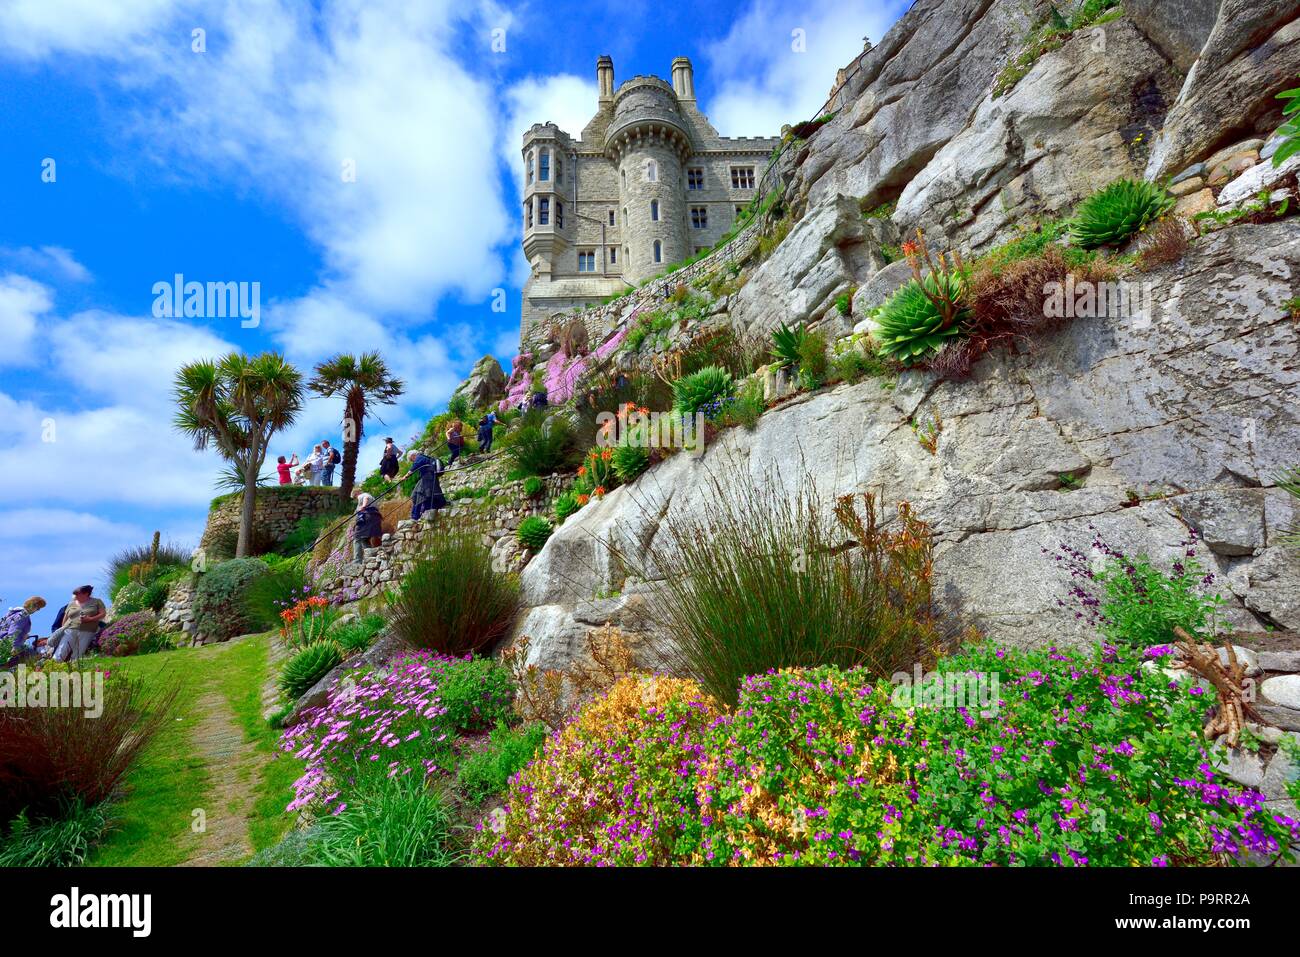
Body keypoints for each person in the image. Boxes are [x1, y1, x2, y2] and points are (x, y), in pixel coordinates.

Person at [44, 586, 106, 663]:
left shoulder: (97, 602)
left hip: (88, 631)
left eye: (77, 594)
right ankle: (52, 669)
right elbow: (65, 619)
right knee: (61, 651)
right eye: (75, 594)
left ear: (86, 594)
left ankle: (73, 671)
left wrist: (90, 619)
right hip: (69, 630)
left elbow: (103, 614)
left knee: (78, 654)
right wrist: (63, 629)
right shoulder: (71, 604)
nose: (75, 596)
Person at [2, 597, 46, 663]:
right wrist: (13, 648)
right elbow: (14, 631)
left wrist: (23, 636)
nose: (38, 610)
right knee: (35, 654)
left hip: (3, 644)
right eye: (38, 608)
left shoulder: (13, 613)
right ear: (32, 605)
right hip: (7, 648)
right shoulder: (23, 615)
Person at [407, 449, 447, 521]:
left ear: (413, 455)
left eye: (411, 460)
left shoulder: (419, 457)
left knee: (418, 494)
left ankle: (415, 517)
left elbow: (414, 466)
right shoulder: (424, 457)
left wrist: (405, 476)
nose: (412, 461)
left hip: (428, 479)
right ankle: (421, 514)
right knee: (426, 496)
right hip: (429, 479)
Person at [350, 492, 383, 562]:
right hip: (375, 518)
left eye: (354, 498)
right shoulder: (373, 498)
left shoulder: (363, 495)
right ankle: (370, 557)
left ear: (356, 494)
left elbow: (366, 498)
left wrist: (363, 506)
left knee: (357, 538)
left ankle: (357, 560)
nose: (356, 499)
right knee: (365, 539)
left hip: (367, 518)